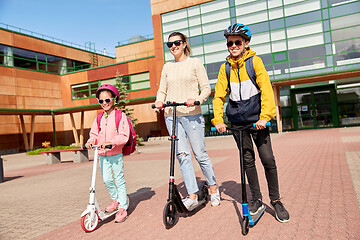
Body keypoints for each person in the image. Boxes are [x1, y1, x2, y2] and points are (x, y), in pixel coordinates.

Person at [212, 23, 290, 223]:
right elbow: (219, 96)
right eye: (230, 43)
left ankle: (276, 200)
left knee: (268, 159)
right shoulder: (225, 68)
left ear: (246, 43)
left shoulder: (255, 62)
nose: (234, 46)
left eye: (238, 42)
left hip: (257, 122)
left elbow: (266, 89)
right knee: (247, 161)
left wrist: (266, 116)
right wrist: (219, 120)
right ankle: (257, 199)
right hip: (237, 123)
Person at [154, 32, 220, 208]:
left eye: (177, 43)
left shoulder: (195, 63)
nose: (173, 46)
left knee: (199, 154)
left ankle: (213, 187)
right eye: (170, 44)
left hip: (192, 114)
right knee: (182, 156)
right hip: (172, 115)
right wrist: (159, 101)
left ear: (184, 44)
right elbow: (162, 90)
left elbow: (206, 88)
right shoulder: (167, 67)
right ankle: (192, 194)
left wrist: (197, 99)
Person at [85, 84, 130, 223]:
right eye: (101, 101)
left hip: (115, 154)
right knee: (107, 180)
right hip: (102, 155)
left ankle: (123, 207)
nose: (104, 103)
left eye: (107, 100)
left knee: (119, 180)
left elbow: (124, 135)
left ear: (114, 100)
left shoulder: (120, 116)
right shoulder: (99, 118)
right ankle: (116, 199)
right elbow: (94, 134)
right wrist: (90, 141)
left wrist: (112, 142)